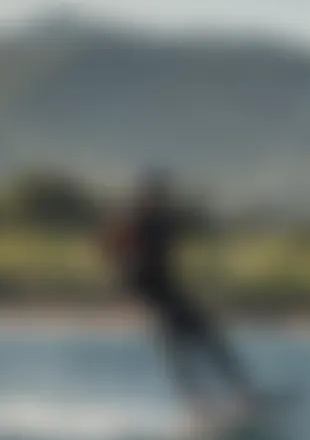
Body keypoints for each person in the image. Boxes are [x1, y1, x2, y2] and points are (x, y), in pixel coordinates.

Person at [100, 172, 257, 421]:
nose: (155, 203)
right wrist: (125, 277)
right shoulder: (133, 225)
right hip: (154, 295)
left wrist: (210, 211)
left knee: (207, 340)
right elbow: (109, 246)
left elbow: (190, 223)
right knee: (181, 347)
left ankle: (241, 396)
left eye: (158, 198)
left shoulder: (161, 222)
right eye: (152, 199)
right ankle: (202, 407)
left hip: (168, 293)